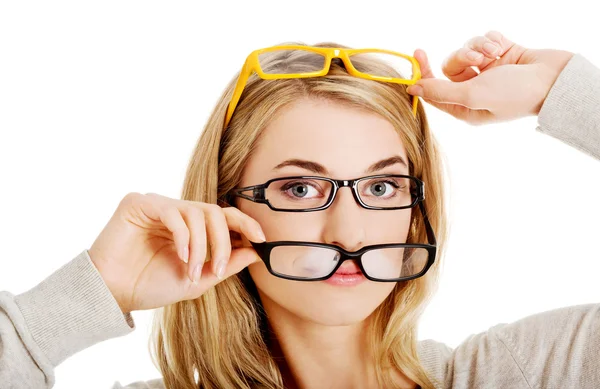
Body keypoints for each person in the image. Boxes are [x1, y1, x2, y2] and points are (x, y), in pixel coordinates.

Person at [0, 30, 598, 389]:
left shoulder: (523, 372)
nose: (350, 232)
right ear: (226, 206)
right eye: (301, 190)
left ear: (418, 209)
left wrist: (562, 88)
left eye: (383, 188)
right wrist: (91, 293)